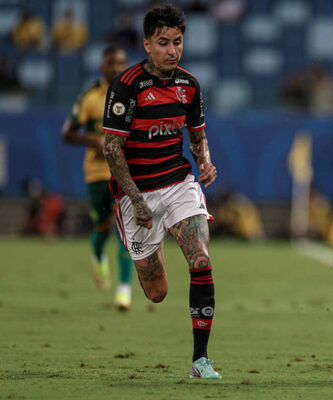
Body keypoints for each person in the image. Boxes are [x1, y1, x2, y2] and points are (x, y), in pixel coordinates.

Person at [102, 4, 221, 379]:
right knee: (157, 292)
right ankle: (151, 247)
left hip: (178, 183)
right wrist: (136, 200)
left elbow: (198, 135)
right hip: (137, 194)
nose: (173, 50)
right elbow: (111, 148)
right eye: (164, 43)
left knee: (201, 261)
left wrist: (205, 161)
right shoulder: (127, 86)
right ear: (147, 44)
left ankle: (200, 361)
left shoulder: (189, 86)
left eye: (178, 42)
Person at [61, 44, 133, 309]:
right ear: (103, 66)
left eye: (122, 62)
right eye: (112, 63)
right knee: (102, 227)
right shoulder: (89, 97)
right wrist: (94, 141)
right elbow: (66, 134)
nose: (117, 68)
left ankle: (124, 290)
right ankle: (98, 255)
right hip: (96, 174)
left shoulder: (133, 95)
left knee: (126, 229)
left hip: (125, 172)